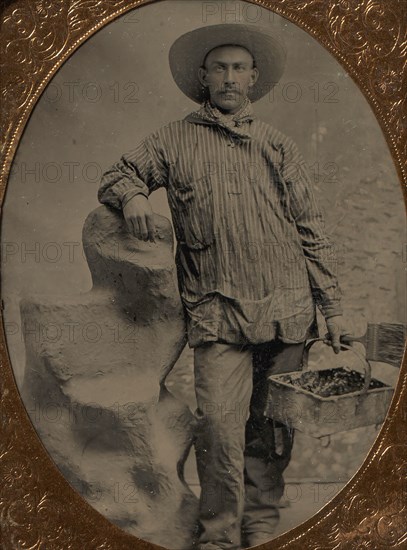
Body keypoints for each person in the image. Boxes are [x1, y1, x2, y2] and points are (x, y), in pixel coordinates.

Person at [98, 23, 348, 550]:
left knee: (273, 428)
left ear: (253, 79)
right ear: (202, 77)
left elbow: (313, 233)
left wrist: (336, 313)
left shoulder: (279, 146)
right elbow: (117, 175)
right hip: (217, 313)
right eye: (220, 68)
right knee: (218, 429)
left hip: (287, 312)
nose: (230, 78)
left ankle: (260, 521)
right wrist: (135, 197)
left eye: (239, 68)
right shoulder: (171, 139)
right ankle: (217, 534)